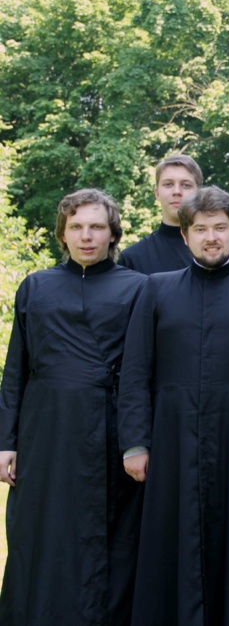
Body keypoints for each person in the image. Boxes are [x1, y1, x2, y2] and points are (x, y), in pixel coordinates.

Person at [118, 186, 229, 626]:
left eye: (220, 227)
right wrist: (134, 443)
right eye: (200, 229)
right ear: (185, 236)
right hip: (171, 442)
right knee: (172, 546)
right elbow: (135, 372)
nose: (211, 237)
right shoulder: (156, 289)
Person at [0, 189, 145, 626]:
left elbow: (142, 373)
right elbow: (15, 370)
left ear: (112, 234)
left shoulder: (138, 287)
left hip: (108, 430)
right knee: (40, 532)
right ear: (62, 234)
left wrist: (138, 440)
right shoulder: (36, 285)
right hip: (44, 430)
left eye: (96, 227)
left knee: (107, 539)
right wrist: (5, 441)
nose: (86, 236)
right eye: (77, 227)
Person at [118, 154, 229, 273]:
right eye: (168, 184)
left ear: (199, 192)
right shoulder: (133, 258)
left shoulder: (228, 251)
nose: (177, 191)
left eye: (186, 185)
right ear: (157, 193)